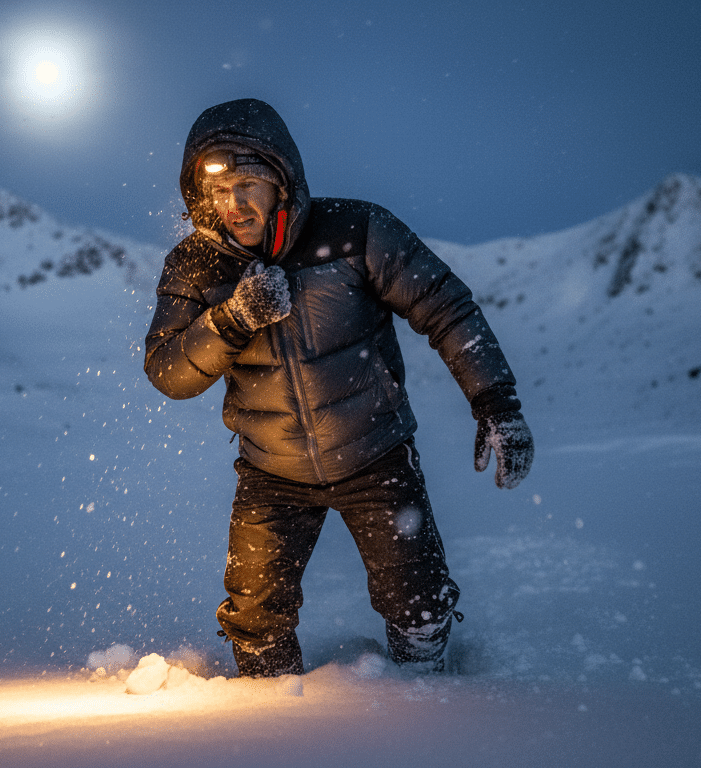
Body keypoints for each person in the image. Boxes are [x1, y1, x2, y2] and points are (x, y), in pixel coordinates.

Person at [143, 98, 533, 677]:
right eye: (219, 191)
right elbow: (169, 373)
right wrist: (232, 319)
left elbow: (447, 310)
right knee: (255, 618)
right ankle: (267, 728)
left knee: (418, 603)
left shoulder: (356, 231)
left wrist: (497, 403)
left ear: (283, 181)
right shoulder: (194, 266)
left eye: (248, 183)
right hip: (270, 474)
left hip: (375, 457)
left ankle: (432, 707)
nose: (235, 205)